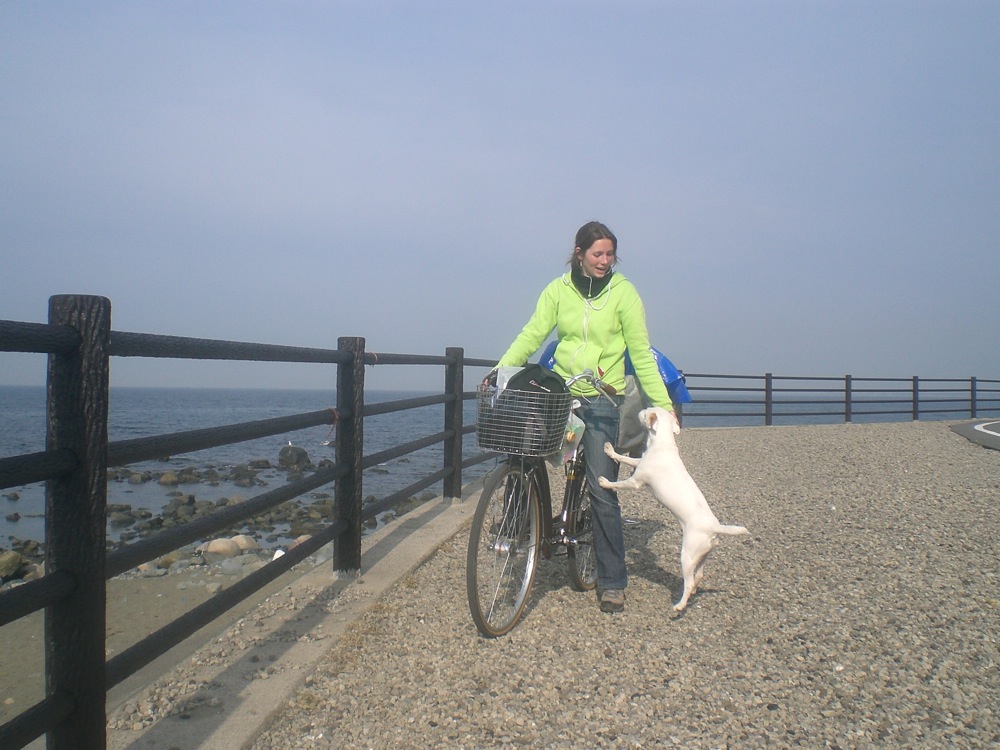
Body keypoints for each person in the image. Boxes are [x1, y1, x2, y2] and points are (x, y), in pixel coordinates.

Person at [495, 220, 677, 613]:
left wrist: (660, 406)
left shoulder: (623, 293)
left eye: (610, 254)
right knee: (519, 449)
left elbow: (641, 354)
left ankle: (612, 581)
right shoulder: (557, 291)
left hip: (601, 397)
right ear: (579, 254)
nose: (605, 261)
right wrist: (503, 370)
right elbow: (533, 333)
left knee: (602, 490)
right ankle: (516, 526)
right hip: (560, 392)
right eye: (598, 254)